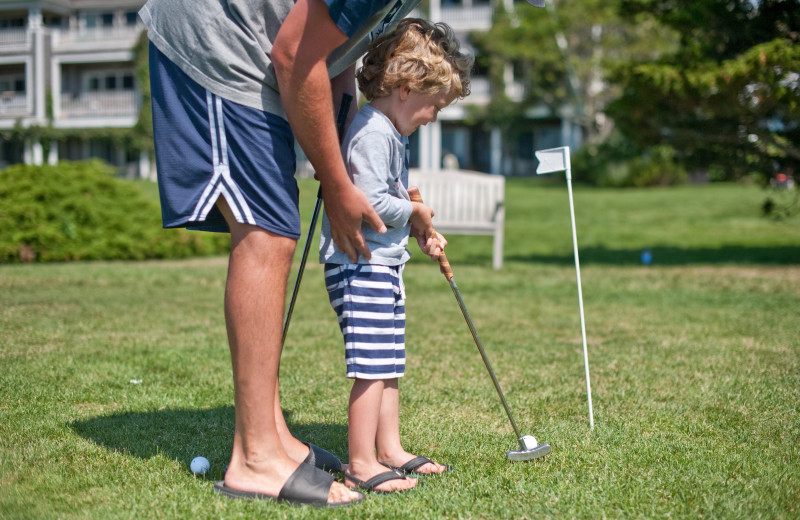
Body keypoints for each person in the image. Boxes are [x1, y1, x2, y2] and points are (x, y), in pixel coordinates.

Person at [139, 0, 428, 508]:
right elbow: (296, 52)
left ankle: (273, 436)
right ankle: (255, 459)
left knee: (277, 225)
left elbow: (331, 61)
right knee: (266, 232)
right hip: (221, 42)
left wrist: (334, 161)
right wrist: (337, 186)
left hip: (265, 52)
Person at [319, 18, 471, 493]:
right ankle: (362, 462)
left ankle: (390, 450)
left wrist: (418, 219)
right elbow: (367, 202)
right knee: (371, 368)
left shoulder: (391, 133)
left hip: (382, 266)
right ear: (406, 88)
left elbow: (391, 197)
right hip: (359, 266)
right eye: (433, 106)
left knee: (389, 365)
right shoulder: (373, 132)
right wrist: (416, 210)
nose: (433, 117)